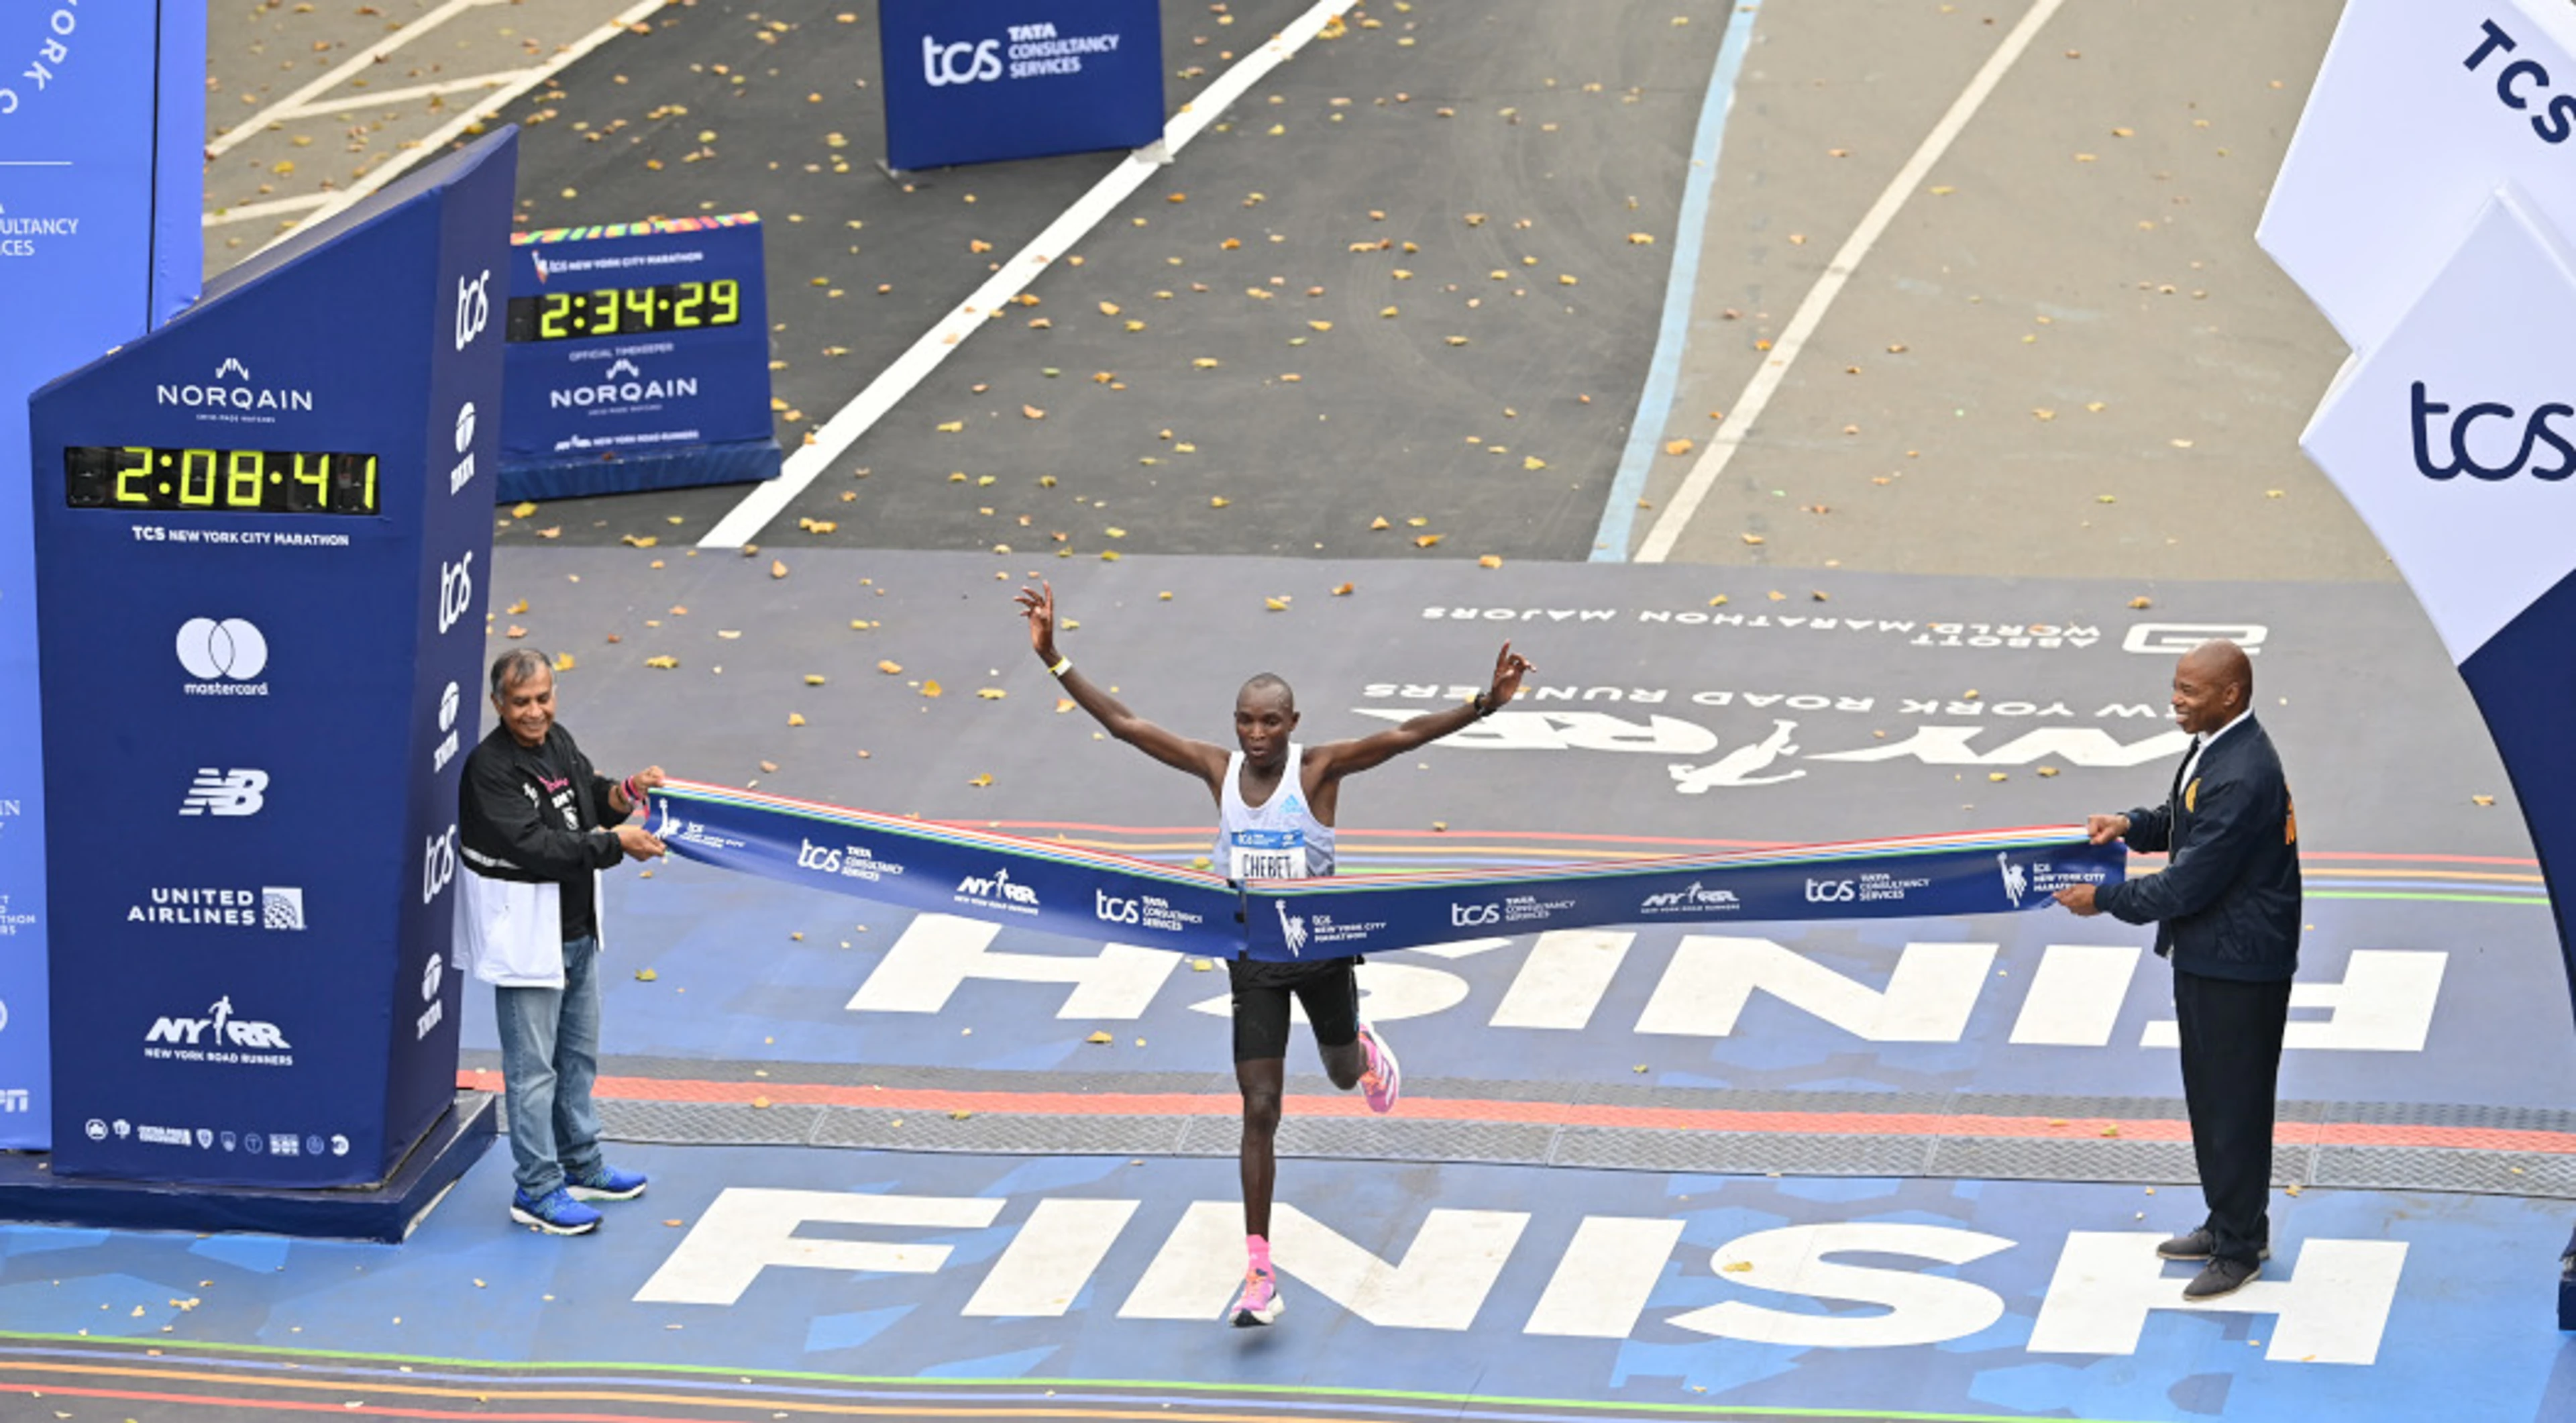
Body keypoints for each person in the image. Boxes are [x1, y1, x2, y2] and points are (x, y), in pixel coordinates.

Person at [1014, 580, 1531, 1327]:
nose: (1256, 734)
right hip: (1251, 959)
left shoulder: (1318, 771)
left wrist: (1483, 704)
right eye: (1245, 722)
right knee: (1260, 1108)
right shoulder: (1218, 771)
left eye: (1269, 722)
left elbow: (1406, 736)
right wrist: (1054, 657)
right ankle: (1259, 1270)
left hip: (1321, 956)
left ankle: (1361, 1046)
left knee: (1342, 1076)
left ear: (1292, 724)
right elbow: (1127, 725)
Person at [2055, 639, 2299, 1301]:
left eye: (2188, 692)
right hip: (2209, 954)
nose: (2175, 701)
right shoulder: (2217, 747)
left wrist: (2102, 899)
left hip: (2239, 966)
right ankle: (2227, 1223)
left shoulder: (2244, 771)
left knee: (2235, 1106)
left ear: (2230, 695)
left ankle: (2242, 1246)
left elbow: (2186, 885)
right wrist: (2130, 825)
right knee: (2211, 1098)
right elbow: (2184, 821)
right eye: (2176, 688)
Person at [456, 648, 667, 1236]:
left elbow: (586, 797)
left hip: (574, 929)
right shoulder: (488, 769)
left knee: (576, 1058)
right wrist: (616, 844)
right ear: (498, 704)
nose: (534, 712)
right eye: (521, 702)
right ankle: (537, 1188)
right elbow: (538, 845)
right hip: (526, 939)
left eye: (543, 698)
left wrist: (625, 793)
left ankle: (582, 1162)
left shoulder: (558, 740)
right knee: (532, 1072)